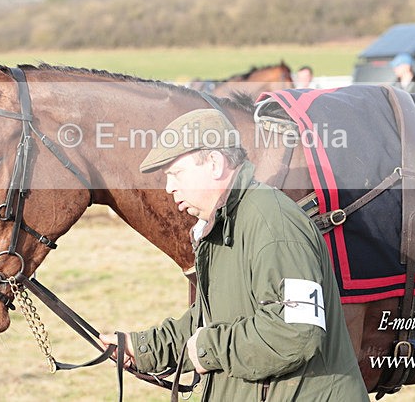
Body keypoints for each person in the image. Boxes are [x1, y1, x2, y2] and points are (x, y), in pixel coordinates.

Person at [99, 109, 368, 401]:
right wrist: (142, 348)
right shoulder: (223, 227)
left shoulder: (272, 221)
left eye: (176, 174)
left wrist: (207, 348)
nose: (169, 187)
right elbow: (210, 320)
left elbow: (296, 332)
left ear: (214, 163)